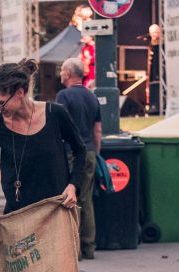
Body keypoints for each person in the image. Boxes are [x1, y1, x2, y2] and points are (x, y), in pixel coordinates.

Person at [0, 58, 86, 219]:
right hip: (18, 214)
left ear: (20, 93)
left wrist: (73, 186)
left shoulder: (56, 114)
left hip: (56, 210)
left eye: (1, 103)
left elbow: (80, 150)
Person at [57, 58, 102, 260]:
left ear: (68, 73)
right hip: (90, 152)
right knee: (87, 199)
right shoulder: (92, 97)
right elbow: (98, 129)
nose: (60, 74)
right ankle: (89, 247)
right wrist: (95, 152)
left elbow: (58, 126)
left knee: (70, 200)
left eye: (61, 70)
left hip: (70, 153)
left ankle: (74, 251)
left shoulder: (64, 96)